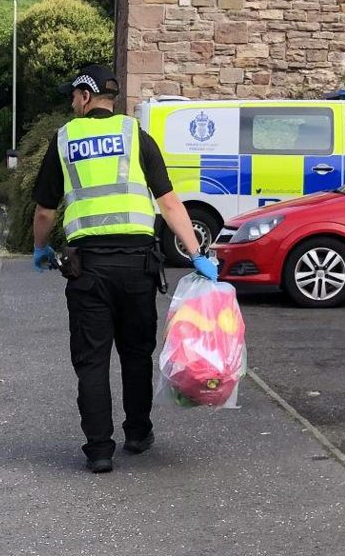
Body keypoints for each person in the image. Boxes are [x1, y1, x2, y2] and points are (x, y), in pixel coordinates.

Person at [32, 64, 218, 474]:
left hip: (89, 270)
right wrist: (195, 253)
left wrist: (39, 249)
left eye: (72, 96)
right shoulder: (136, 135)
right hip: (138, 268)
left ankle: (99, 449)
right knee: (136, 354)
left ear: (84, 96)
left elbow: (45, 210)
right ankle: (137, 433)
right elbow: (169, 202)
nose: (71, 104)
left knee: (92, 360)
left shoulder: (64, 140)